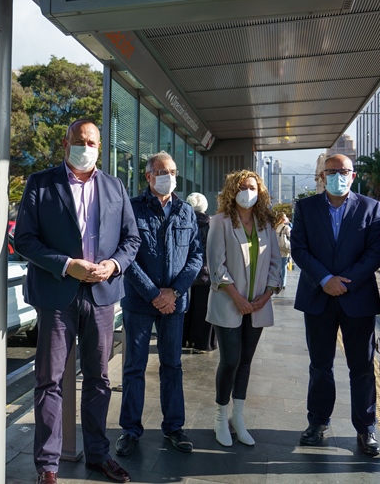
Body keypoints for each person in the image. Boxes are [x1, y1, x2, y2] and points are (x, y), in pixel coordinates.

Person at [14, 119, 140, 484]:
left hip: (101, 297)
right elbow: (24, 239)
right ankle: (48, 466)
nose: (85, 147)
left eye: (91, 142)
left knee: (99, 379)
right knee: (49, 380)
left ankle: (98, 455)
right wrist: (68, 265)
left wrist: (113, 264)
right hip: (57, 296)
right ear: (65, 143)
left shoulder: (115, 187)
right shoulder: (41, 183)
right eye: (79, 140)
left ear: (100, 148)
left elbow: (132, 240)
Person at [290, 154, 380, 455]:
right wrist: (325, 279)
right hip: (318, 296)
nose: (337, 176)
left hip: (357, 298)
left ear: (353, 176)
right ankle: (317, 422)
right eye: (331, 171)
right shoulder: (305, 207)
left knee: (362, 367)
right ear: (321, 176)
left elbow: (376, 251)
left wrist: (345, 281)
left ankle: (366, 428)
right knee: (320, 366)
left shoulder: (371, 208)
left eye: (343, 171)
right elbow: (299, 249)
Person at [116, 151, 203, 457]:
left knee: (172, 366)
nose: (169, 177)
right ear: (149, 176)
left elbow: (196, 256)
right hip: (140, 302)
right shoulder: (133, 208)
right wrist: (154, 293)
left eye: (173, 172)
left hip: (174, 304)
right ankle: (130, 429)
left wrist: (174, 292)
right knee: (134, 367)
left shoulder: (185, 211)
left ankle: (174, 427)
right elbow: (125, 254)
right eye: (162, 171)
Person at [206, 170, 282, 447]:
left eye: (252, 187)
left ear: (260, 192)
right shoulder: (220, 222)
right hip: (229, 304)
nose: (247, 191)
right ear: (231, 191)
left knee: (246, 362)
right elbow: (216, 266)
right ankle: (220, 416)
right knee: (230, 361)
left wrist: (268, 294)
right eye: (241, 187)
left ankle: (238, 417)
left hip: (258, 305)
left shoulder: (265, 224)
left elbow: (276, 262)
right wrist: (237, 297)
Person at [182, 192, 217, 353]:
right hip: (206, 273)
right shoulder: (212, 224)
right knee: (204, 309)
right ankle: (203, 343)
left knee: (185, 310)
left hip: (185, 274)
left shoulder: (184, 222)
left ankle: (184, 340)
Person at [274, 212, 291, 289]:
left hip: (276, 249)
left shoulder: (274, 226)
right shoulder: (286, 227)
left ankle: (276, 282)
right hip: (284, 249)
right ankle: (283, 283)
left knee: (277, 267)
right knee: (284, 267)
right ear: (283, 219)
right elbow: (291, 236)